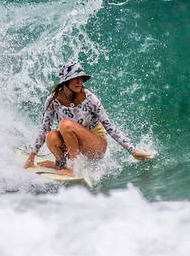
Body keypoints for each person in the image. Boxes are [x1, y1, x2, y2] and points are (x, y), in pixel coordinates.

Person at [24, 61, 153, 175]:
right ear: (65, 81)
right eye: (75, 78)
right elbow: (44, 129)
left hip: (95, 146)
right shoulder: (53, 100)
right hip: (73, 145)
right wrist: (32, 156)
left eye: (81, 78)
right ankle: (61, 165)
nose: (80, 81)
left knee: (65, 124)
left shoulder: (90, 98)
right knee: (51, 136)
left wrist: (132, 151)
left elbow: (110, 127)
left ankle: (74, 168)